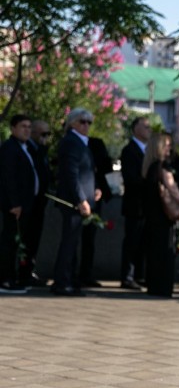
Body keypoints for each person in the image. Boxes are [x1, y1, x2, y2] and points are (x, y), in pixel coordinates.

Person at [51, 108, 100, 297]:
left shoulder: (81, 142)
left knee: (73, 243)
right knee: (69, 243)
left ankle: (69, 280)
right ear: (72, 123)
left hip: (82, 200)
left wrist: (94, 190)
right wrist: (81, 199)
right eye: (82, 121)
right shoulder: (71, 142)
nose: (86, 125)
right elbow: (70, 174)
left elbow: (85, 171)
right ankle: (62, 282)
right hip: (73, 203)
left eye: (89, 122)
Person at [142, 132, 179, 298]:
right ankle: (164, 287)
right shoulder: (162, 168)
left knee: (153, 253)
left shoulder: (148, 167)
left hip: (151, 216)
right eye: (166, 145)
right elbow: (175, 193)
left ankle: (154, 285)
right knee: (165, 253)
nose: (170, 148)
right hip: (164, 217)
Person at [0, 115, 38, 293]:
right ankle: (5, 279)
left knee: (17, 242)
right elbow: (9, 178)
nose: (27, 130)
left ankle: (13, 276)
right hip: (14, 206)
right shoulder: (9, 148)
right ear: (13, 128)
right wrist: (15, 203)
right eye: (23, 126)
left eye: (29, 126)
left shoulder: (26, 148)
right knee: (10, 241)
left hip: (26, 204)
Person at [120, 116, 150, 290]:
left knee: (143, 242)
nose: (148, 129)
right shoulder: (129, 150)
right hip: (134, 204)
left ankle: (139, 275)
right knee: (131, 241)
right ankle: (127, 276)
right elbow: (131, 179)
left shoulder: (148, 150)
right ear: (135, 129)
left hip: (146, 206)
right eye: (145, 126)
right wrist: (151, 183)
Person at [79, 134, 113, 287]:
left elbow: (105, 167)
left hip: (94, 198)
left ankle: (85, 274)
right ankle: (72, 274)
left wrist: (98, 188)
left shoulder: (96, 144)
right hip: (77, 200)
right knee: (74, 239)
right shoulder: (71, 144)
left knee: (89, 239)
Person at [24, 119, 51, 287]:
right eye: (43, 134)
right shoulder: (27, 149)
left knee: (34, 238)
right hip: (28, 203)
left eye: (48, 134)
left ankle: (29, 270)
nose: (45, 138)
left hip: (40, 201)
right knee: (26, 239)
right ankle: (23, 272)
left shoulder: (40, 150)